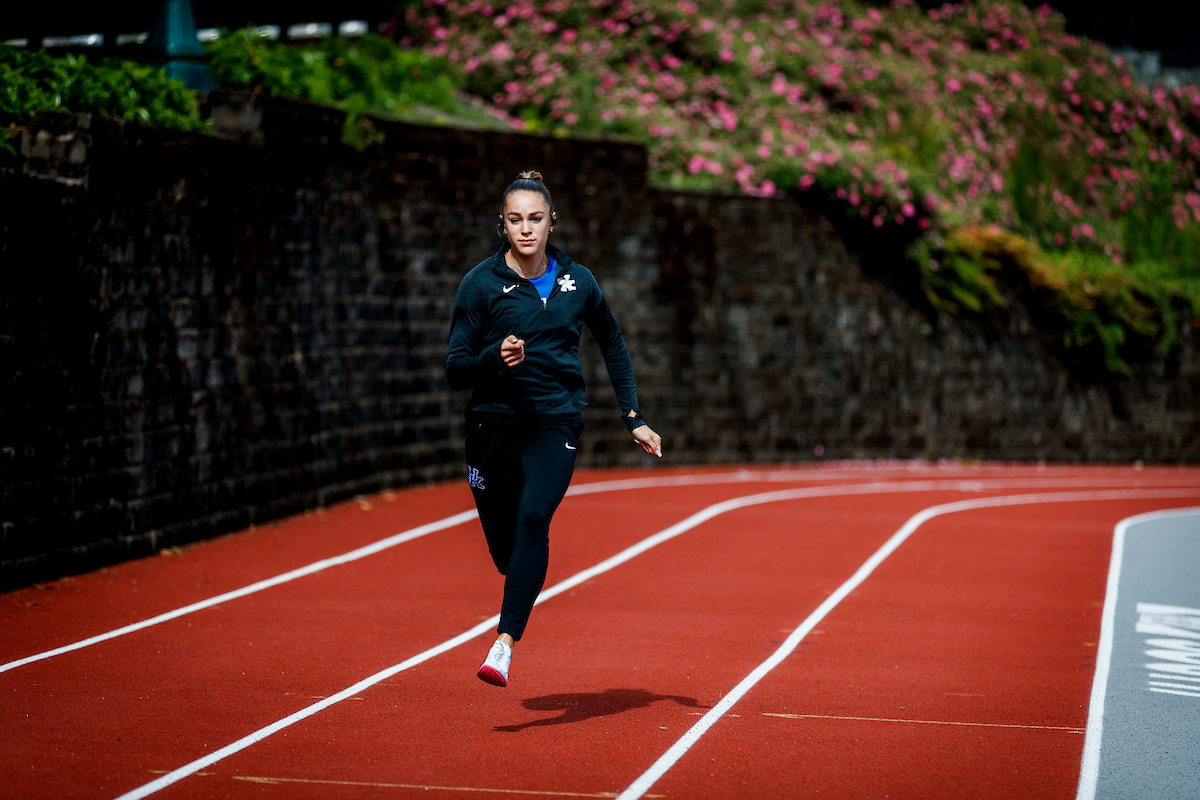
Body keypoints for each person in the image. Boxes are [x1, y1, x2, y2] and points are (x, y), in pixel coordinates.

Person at [446, 170, 663, 687]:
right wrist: (495, 359)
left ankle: (503, 644)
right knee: (508, 550)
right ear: (502, 224)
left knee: (535, 516)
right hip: (491, 425)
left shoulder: (578, 282)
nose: (526, 229)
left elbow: (611, 343)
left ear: (552, 223)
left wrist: (633, 416)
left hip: (554, 421)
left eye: (536, 219)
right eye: (516, 220)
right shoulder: (480, 285)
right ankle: (519, 574)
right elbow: (455, 368)